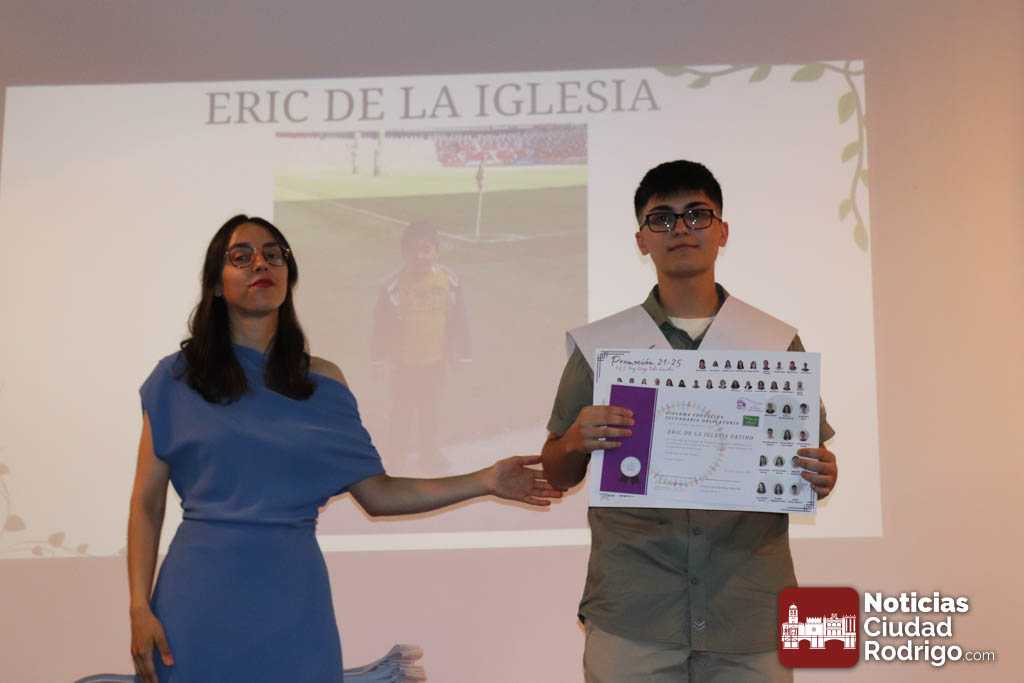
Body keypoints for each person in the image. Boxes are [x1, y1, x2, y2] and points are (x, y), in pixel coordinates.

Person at [127, 215, 559, 683]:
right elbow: (147, 504)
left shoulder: (322, 383)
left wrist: (486, 480)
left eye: (273, 255)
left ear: (289, 276)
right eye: (241, 256)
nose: (260, 264)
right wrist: (138, 607)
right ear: (216, 283)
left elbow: (378, 494)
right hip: (197, 600)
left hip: (292, 600)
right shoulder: (176, 379)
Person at [540, 161, 837, 682]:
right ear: (642, 240)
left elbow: (810, 462)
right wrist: (573, 441)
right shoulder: (603, 349)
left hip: (748, 612)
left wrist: (823, 473)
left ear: (723, 231)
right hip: (635, 614)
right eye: (662, 218)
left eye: (698, 214)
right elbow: (557, 471)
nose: (681, 228)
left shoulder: (773, 342)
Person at [371, 221, 471, 471]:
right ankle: (397, 458)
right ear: (404, 253)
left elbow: (459, 318)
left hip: (436, 361)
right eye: (413, 251)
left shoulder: (449, 281)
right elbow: (381, 326)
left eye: (426, 250)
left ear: (436, 250)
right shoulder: (391, 286)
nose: (420, 256)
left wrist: (462, 353)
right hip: (404, 364)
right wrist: (379, 359)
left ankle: (430, 454)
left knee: (431, 411)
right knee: (401, 413)